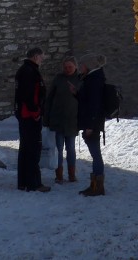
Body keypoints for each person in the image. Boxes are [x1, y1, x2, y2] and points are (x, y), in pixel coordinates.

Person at [14, 47, 49, 192]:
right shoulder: (30, 72)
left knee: (26, 148)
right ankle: (33, 182)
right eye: (41, 57)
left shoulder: (24, 70)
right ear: (35, 57)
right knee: (33, 149)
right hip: (29, 116)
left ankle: (23, 182)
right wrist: (35, 112)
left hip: (25, 115)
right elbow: (29, 95)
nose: (43, 59)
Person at [44, 55, 82, 183]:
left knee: (70, 149)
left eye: (70, 67)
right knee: (58, 149)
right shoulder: (58, 79)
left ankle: (72, 175)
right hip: (57, 119)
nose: (67, 69)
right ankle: (59, 175)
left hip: (72, 120)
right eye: (65, 67)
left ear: (75, 66)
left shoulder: (80, 79)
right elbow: (49, 99)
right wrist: (47, 118)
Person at [77, 52, 107, 197]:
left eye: (81, 66)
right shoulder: (93, 79)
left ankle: (97, 186)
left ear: (87, 66)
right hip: (93, 122)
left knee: (96, 155)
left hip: (93, 123)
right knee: (95, 154)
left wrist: (89, 126)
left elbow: (93, 105)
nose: (79, 68)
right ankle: (95, 185)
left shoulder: (93, 80)